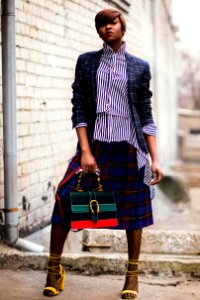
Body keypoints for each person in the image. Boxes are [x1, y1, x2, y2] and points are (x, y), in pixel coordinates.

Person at [43, 8, 163, 299]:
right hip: (94, 147)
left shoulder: (139, 67)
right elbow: (79, 107)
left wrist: (155, 157)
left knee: (133, 213)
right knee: (64, 199)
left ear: (122, 26)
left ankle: (132, 276)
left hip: (129, 149)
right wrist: (85, 151)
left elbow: (145, 112)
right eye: (101, 24)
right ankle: (54, 269)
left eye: (112, 22)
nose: (106, 28)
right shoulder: (86, 62)